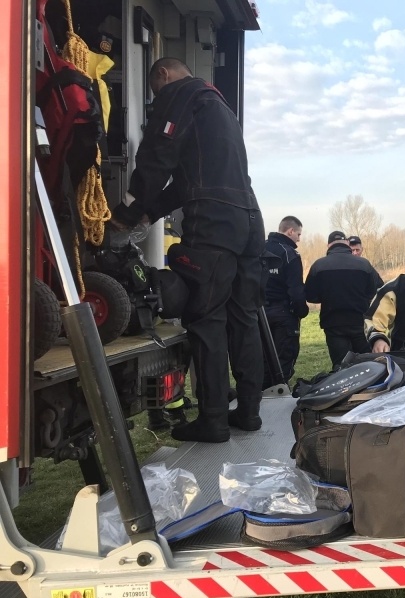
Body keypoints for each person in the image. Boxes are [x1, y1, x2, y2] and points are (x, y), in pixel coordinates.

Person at [111, 57, 265, 443]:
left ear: (163, 76)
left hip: (214, 223)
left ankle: (213, 420)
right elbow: (187, 183)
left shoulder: (181, 95)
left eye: (154, 93)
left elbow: (156, 160)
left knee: (206, 317)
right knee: (243, 317)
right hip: (249, 219)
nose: (156, 100)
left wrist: (125, 213)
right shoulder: (220, 107)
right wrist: (150, 213)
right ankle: (249, 412)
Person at [305, 231, 384, 368]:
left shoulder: (319, 265)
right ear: (347, 243)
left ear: (329, 245)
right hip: (360, 322)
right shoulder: (364, 264)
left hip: (333, 323)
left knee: (340, 366)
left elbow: (310, 295)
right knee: (367, 365)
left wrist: (327, 297)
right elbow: (375, 290)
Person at [263, 215, 308, 386]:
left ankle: (260, 393)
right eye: (298, 234)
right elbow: (296, 290)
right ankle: (279, 391)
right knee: (284, 358)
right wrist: (301, 311)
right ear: (290, 231)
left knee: (262, 358)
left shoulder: (259, 249)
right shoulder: (289, 254)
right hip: (283, 314)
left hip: (259, 314)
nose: (299, 239)